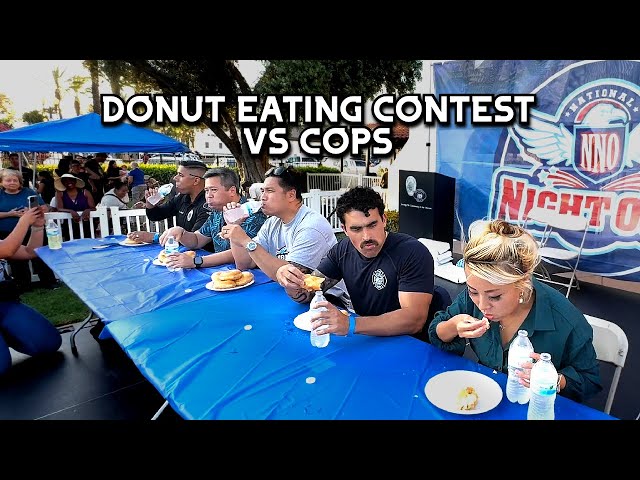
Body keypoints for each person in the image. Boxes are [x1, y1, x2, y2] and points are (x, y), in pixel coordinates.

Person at [427, 219, 602, 403]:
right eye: (473, 291)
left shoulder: (566, 322)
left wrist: (553, 379)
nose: (482, 305)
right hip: (483, 398)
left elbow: (590, 381)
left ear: (522, 284)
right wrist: (453, 326)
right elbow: (437, 332)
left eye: (494, 297)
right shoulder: (474, 296)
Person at [275, 186, 435, 338]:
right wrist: (291, 281)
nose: (367, 236)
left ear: (384, 220)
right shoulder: (342, 250)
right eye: (356, 229)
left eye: (372, 225)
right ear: (344, 230)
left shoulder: (412, 252)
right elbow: (308, 291)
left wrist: (351, 324)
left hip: (407, 345)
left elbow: (414, 320)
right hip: (365, 337)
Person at [219, 165, 349, 307]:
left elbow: (292, 279)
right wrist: (234, 227)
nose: (262, 197)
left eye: (269, 191)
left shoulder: (311, 226)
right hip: (286, 295)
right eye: (262, 191)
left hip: (327, 301)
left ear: (291, 195)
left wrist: (246, 241)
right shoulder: (273, 222)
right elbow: (244, 264)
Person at [157, 167, 267, 270]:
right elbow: (197, 240)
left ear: (232, 191)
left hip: (251, 278)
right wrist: (181, 232)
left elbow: (240, 253)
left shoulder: (253, 214)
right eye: (206, 190)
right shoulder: (217, 211)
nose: (208, 195)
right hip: (220, 272)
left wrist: (196, 261)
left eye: (213, 190)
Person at [0, 204, 62, 376]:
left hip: (4, 304)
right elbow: (6, 249)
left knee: (49, 343)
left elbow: (29, 252)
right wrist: (24, 221)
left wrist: (37, 226)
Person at [129, 159, 211, 249]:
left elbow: (194, 241)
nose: (175, 178)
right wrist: (150, 204)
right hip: (182, 253)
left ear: (196, 180)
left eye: (180, 175)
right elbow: (156, 216)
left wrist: (153, 237)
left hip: (204, 257)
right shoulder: (182, 197)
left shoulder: (209, 205)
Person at [0, 169, 58, 291]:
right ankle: (23, 285)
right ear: (2, 182)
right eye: (8, 180)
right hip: (8, 233)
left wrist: (34, 212)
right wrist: (11, 214)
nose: (12, 182)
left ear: (20, 182)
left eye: (15, 180)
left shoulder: (28, 192)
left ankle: (49, 282)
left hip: (31, 230)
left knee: (39, 255)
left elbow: (44, 206)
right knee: (17, 263)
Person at [54, 173, 96, 240]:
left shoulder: (85, 192)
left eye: (71, 180)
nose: (69, 182)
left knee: (88, 243)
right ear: (63, 183)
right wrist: (71, 211)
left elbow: (93, 207)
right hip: (69, 225)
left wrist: (87, 210)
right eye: (65, 181)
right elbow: (59, 208)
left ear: (75, 181)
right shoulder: (60, 194)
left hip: (86, 223)